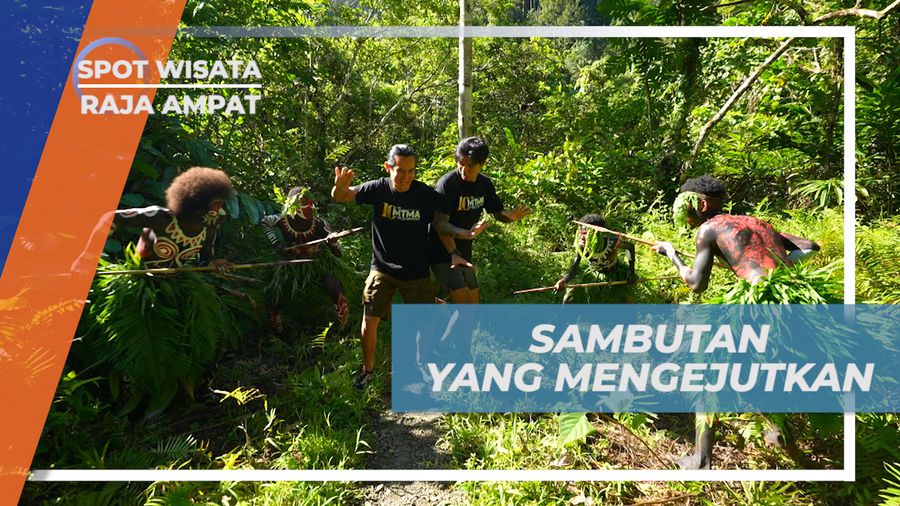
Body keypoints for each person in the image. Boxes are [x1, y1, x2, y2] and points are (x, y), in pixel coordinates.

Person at [652, 175, 820, 470]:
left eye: (684, 209)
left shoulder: (708, 228)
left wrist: (673, 255)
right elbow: (809, 246)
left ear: (700, 205)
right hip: (788, 300)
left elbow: (695, 284)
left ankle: (701, 460)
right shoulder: (756, 222)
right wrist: (770, 268)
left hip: (754, 306)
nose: (685, 217)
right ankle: (778, 433)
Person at [332, 144, 464, 389]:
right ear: (388, 167)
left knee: (424, 323)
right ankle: (368, 370)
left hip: (416, 269)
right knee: (370, 319)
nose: (405, 177)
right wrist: (339, 188)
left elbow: (449, 212)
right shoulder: (378, 188)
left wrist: (465, 233)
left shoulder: (424, 194)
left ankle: (423, 367)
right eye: (400, 170)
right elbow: (343, 196)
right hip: (382, 268)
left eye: (411, 171)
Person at [428, 136, 531, 304]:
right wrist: (466, 234)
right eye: (460, 164)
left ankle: (437, 308)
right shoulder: (447, 184)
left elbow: (497, 212)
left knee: (472, 306)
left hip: (464, 251)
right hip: (442, 251)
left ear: (481, 164)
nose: (463, 170)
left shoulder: (484, 184)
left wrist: (510, 217)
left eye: (469, 166)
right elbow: (439, 223)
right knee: (465, 304)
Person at [72, 166, 234, 272]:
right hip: (137, 285)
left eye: (220, 204)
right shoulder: (159, 218)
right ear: (196, 201)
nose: (218, 210)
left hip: (173, 289)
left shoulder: (208, 230)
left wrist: (213, 265)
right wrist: (87, 258)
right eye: (215, 204)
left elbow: (204, 261)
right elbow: (110, 218)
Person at [260, 186, 351, 332]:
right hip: (290, 261)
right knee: (277, 290)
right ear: (293, 204)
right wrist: (276, 243)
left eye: (310, 202)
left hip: (317, 261)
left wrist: (332, 243)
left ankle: (344, 325)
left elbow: (338, 253)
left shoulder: (320, 224)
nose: (310, 206)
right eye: (304, 202)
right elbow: (265, 222)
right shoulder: (281, 219)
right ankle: (275, 327)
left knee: (333, 285)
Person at [553, 214, 636, 304]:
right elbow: (574, 269)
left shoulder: (611, 242)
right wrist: (563, 281)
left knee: (626, 302)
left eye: (585, 233)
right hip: (592, 273)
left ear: (597, 233)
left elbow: (630, 247)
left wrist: (631, 272)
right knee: (568, 299)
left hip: (615, 274)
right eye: (581, 232)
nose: (581, 237)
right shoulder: (582, 245)